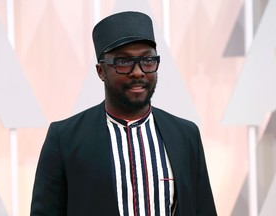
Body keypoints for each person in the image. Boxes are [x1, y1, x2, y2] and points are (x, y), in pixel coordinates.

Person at [30, 11, 217, 216]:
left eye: (147, 61)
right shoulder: (64, 139)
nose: (138, 72)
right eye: (124, 62)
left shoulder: (185, 135)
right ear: (101, 71)